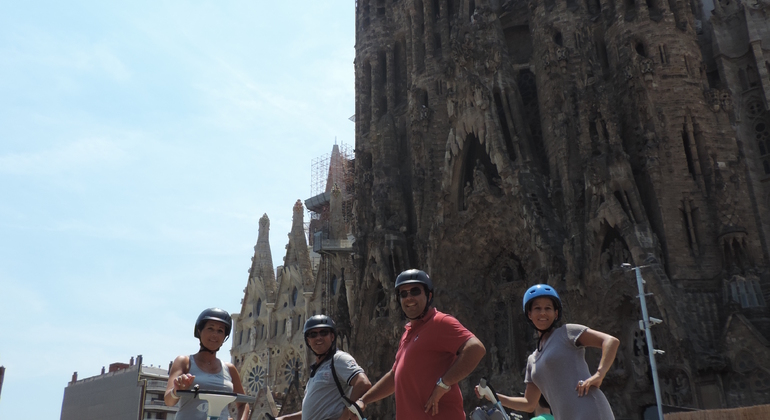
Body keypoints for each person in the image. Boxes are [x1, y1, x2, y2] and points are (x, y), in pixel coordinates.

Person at [356, 269, 486, 419]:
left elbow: (476, 349)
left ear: (429, 295)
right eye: (403, 294)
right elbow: (395, 376)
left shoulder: (440, 322)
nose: (409, 298)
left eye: (415, 291)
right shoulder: (407, 333)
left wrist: (444, 384)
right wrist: (364, 400)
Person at [475, 284, 619, 420]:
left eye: (548, 308)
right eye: (537, 308)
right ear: (529, 314)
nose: (543, 312)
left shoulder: (566, 333)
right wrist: (492, 396)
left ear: (556, 314)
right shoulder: (533, 360)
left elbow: (610, 341)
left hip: (589, 409)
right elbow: (529, 403)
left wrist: (599, 375)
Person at [276, 315, 371, 420]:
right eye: (313, 334)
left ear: (332, 337)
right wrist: (283, 419)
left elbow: (363, 383)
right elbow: (315, 413)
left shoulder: (338, 358)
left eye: (324, 332)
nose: (318, 337)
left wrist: (346, 416)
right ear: (308, 341)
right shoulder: (315, 372)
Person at [164, 308, 250, 420]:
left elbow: (243, 403)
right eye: (210, 328)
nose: (215, 335)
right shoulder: (184, 362)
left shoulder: (229, 369)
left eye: (220, 331)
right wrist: (177, 390)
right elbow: (168, 401)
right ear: (199, 331)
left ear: (224, 337)